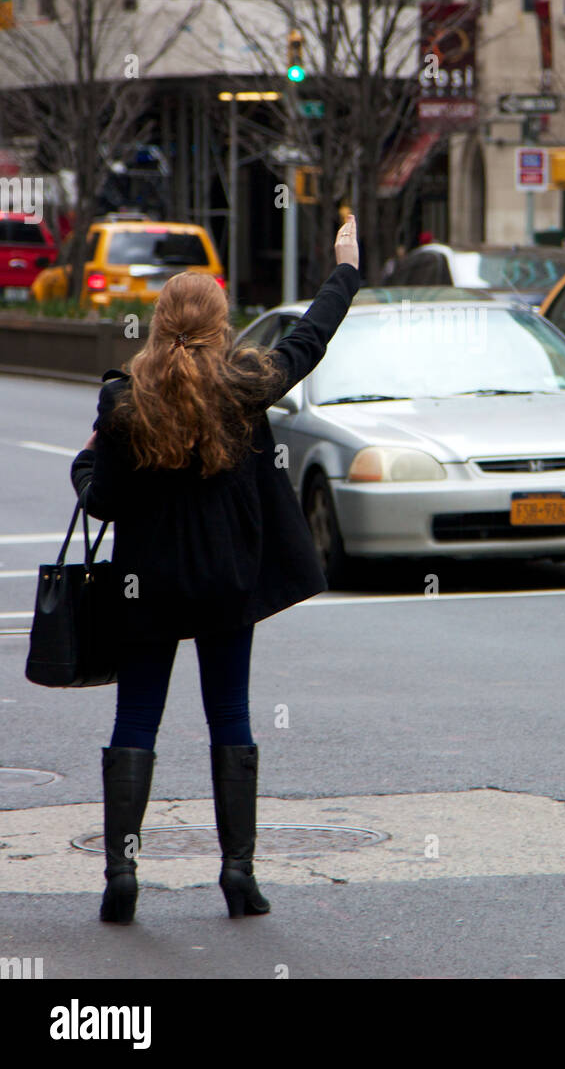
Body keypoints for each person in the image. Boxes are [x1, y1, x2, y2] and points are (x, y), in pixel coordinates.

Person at [69, 216, 361, 924]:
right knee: (229, 714)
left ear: (160, 324)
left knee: (135, 718)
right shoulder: (244, 384)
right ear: (222, 326)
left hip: (145, 588)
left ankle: (122, 874)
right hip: (227, 582)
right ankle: (238, 876)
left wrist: (87, 462)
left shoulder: (125, 401)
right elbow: (306, 341)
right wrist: (345, 270)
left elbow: (103, 500)